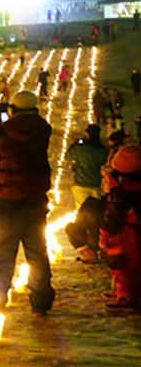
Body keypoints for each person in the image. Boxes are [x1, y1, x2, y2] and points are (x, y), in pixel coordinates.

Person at [0, 91, 55, 315]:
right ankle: (41, 299)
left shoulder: (2, 133)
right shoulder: (43, 129)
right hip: (35, 198)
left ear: (12, 109)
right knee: (37, 251)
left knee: (3, 252)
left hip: (8, 199)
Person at [99, 145, 141, 312]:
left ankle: (126, 296)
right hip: (129, 229)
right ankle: (123, 291)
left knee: (122, 265)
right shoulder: (131, 185)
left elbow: (115, 211)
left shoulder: (124, 190)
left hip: (122, 232)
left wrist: (106, 231)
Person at [65, 124, 108, 209]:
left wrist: (74, 144)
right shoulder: (102, 151)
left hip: (81, 183)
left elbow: (68, 157)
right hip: (96, 184)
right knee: (96, 210)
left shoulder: (79, 149)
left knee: (81, 210)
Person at [66, 196, 105, 264]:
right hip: (93, 207)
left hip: (95, 207)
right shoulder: (95, 244)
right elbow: (70, 228)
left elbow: (71, 228)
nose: (85, 254)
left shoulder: (94, 244)